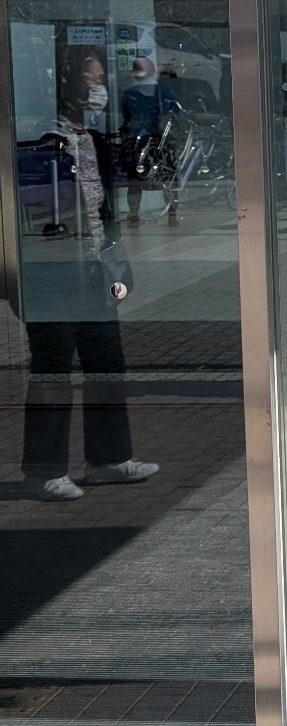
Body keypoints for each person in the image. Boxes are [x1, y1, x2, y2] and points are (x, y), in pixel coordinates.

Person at [21, 56, 159, 501]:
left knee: (106, 363)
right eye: (91, 80)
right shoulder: (46, 141)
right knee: (53, 368)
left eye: (101, 81)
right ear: (69, 84)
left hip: (95, 269)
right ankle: (45, 470)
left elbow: (105, 213)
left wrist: (119, 266)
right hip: (53, 270)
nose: (98, 90)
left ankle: (108, 459)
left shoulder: (94, 141)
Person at [119, 56, 181, 226]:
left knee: (134, 181)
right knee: (169, 178)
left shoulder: (129, 95)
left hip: (137, 141)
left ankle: (134, 216)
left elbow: (126, 117)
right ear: (153, 72)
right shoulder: (165, 91)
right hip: (162, 140)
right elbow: (176, 113)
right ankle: (172, 216)